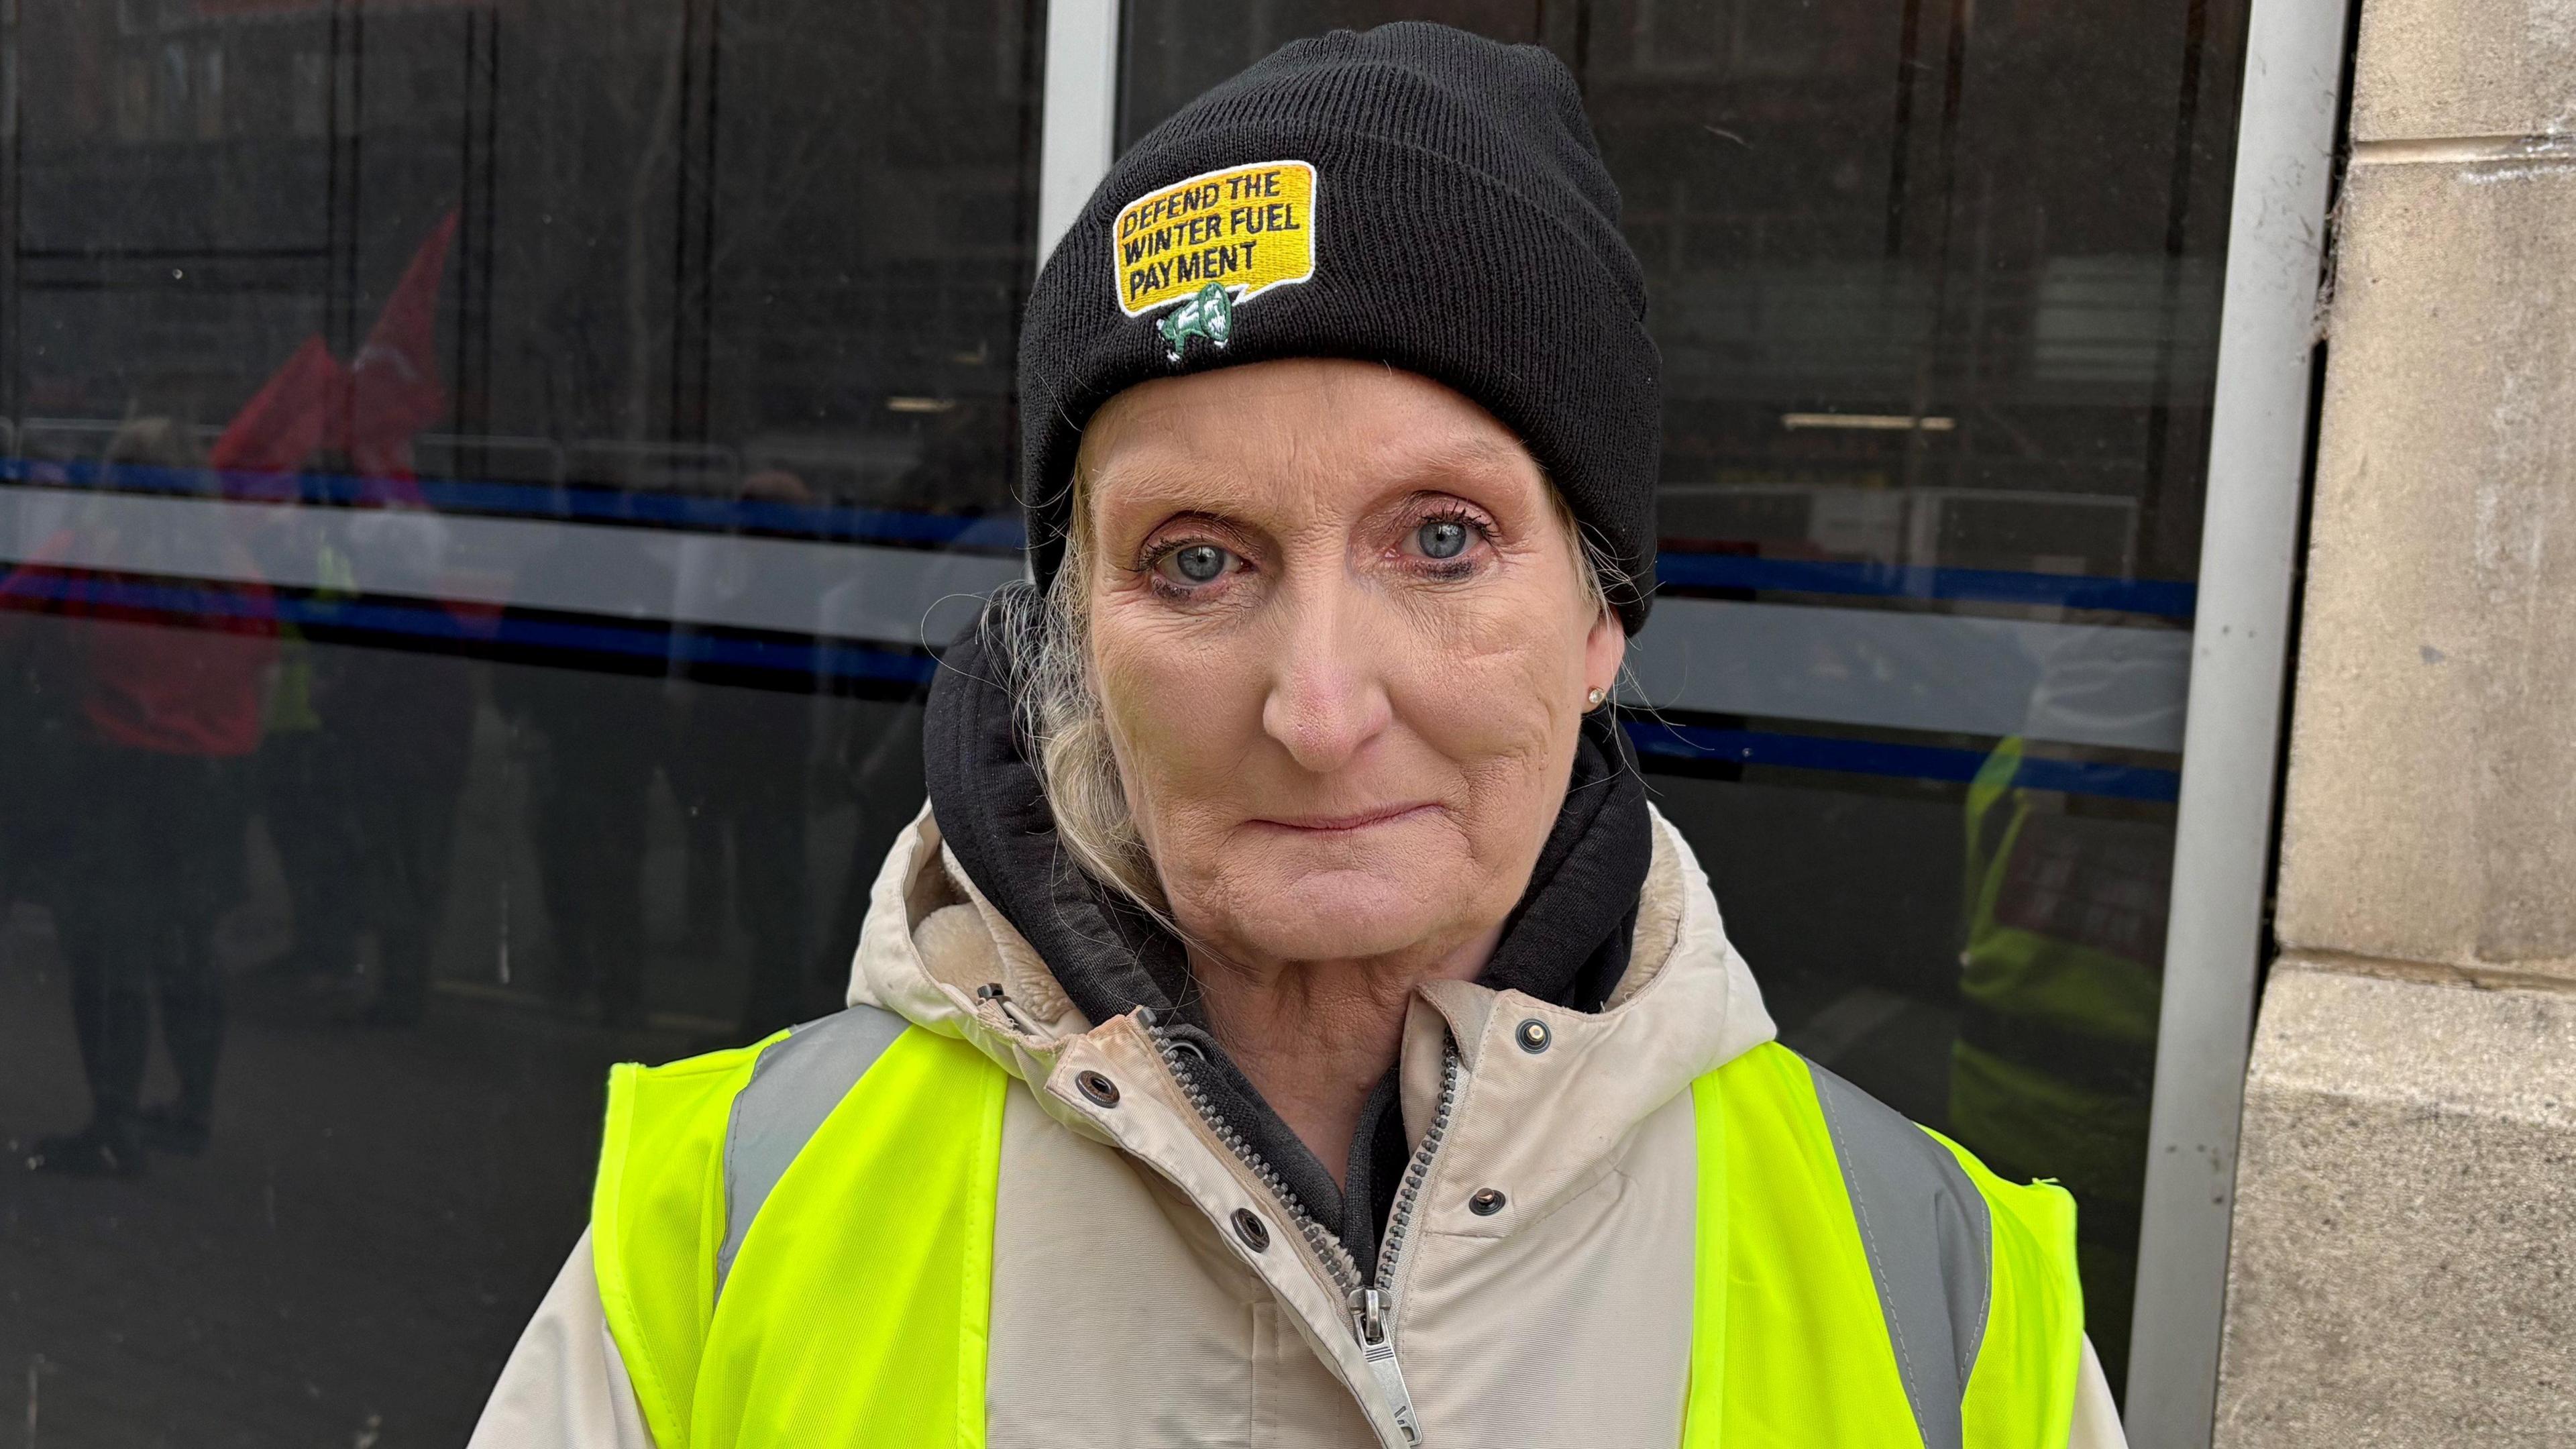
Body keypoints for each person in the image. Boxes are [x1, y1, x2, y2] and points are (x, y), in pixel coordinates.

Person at [471, 25, 2126, 1445]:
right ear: (1072, 640)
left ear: (1604, 608)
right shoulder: (716, 1218)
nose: (1320, 714)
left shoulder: (1951, 1300)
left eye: (1444, 540)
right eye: (1198, 561)